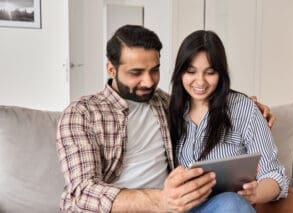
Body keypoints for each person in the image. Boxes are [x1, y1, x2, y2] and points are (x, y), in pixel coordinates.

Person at [56, 24, 274, 212]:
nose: (149, 82)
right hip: (139, 207)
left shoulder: (166, 103)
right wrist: (161, 201)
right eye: (136, 73)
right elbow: (82, 192)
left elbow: (206, 97)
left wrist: (250, 105)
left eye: (155, 70)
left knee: (231, 204)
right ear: (111, 69)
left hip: (175, 209)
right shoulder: (82, 114)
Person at [168, 30, 288, 209]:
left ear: (221, 74)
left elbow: (274, 173)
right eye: (191, 72)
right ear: (180, 73)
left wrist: (256, 193)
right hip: (182, 207)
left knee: (231, 202)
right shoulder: (168, 110)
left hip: (229, 206)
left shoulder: (243, 109)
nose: (200, 82)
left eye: (210, 72)